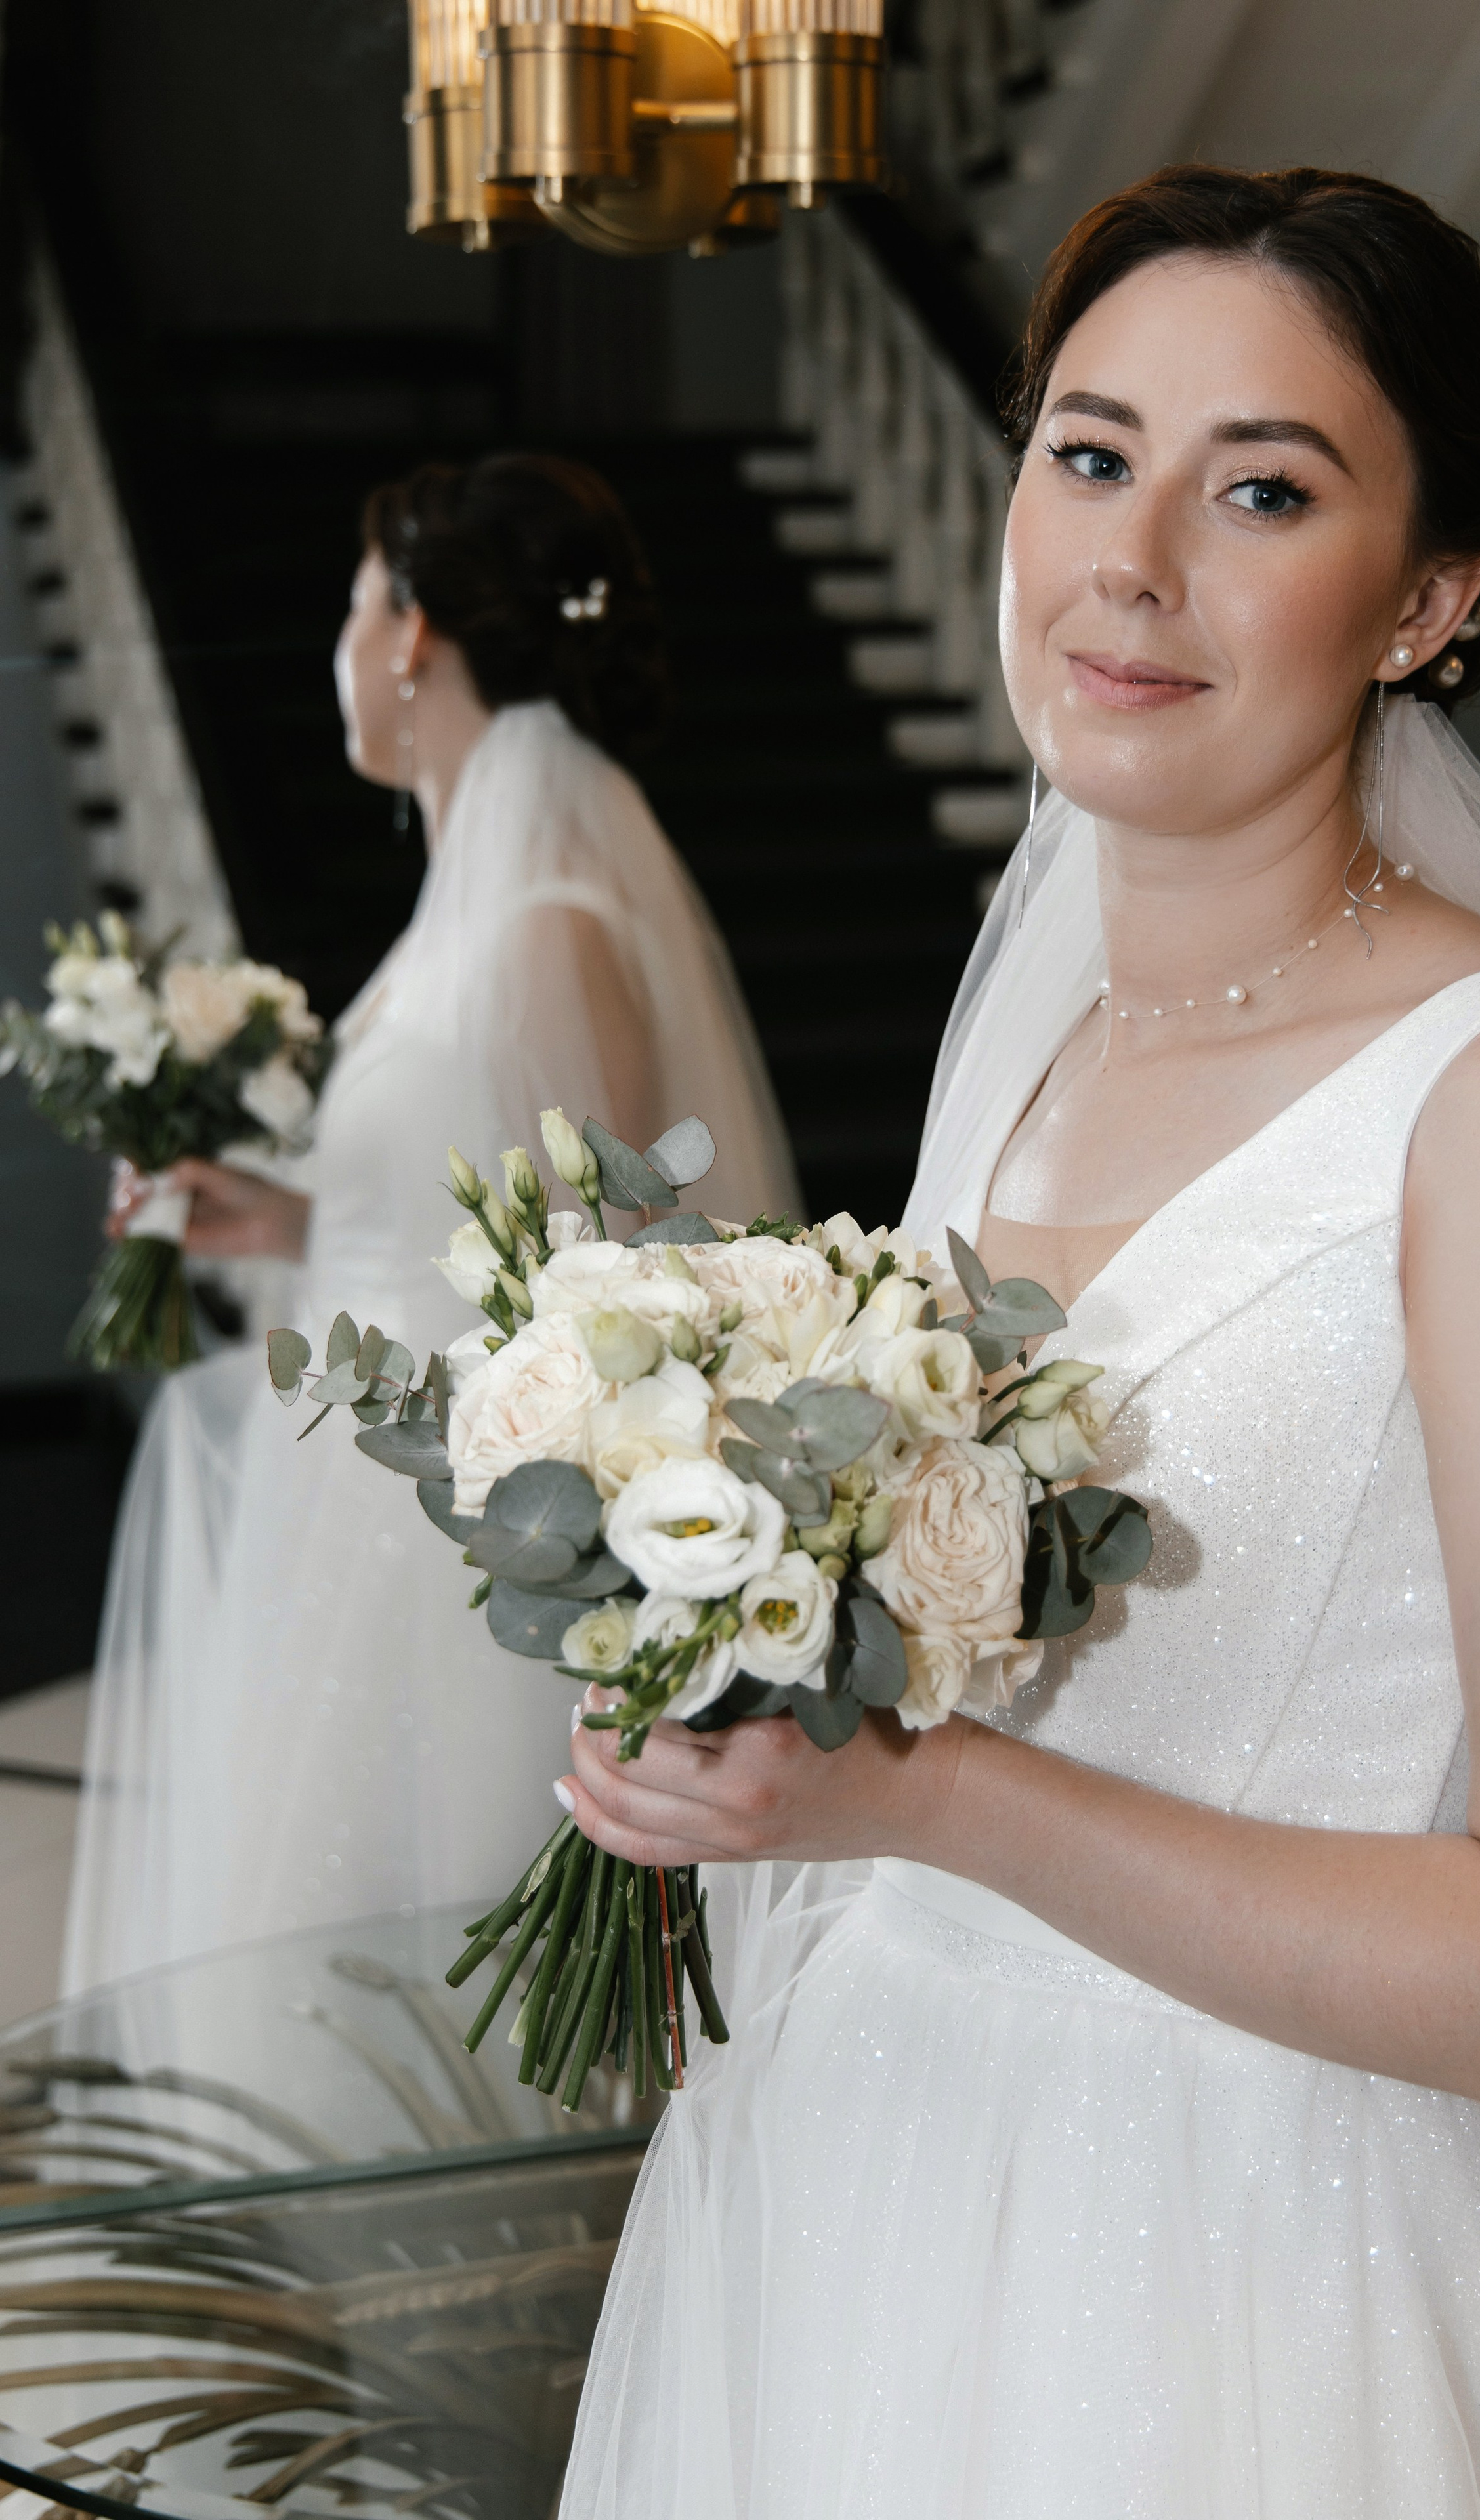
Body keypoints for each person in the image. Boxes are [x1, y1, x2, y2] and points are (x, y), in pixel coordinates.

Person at [557, 170, 1480, 2515]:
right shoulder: (1047, 1042)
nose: (1130, 560)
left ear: (1436, 597)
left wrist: (934, 1800)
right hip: (861, 2193)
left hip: (1273, 2286)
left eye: (1260, 487)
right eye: (1087, 451)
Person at [62, 452, 798, 1993]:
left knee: (420, 1934)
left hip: (457, 1524)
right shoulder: (468, 910)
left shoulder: (543, 929)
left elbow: (615, 1275)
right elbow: (448, 1217)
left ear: (408, 633)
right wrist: (274, 1221)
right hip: (367, 1487)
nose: (341, 646)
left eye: (351, 605)